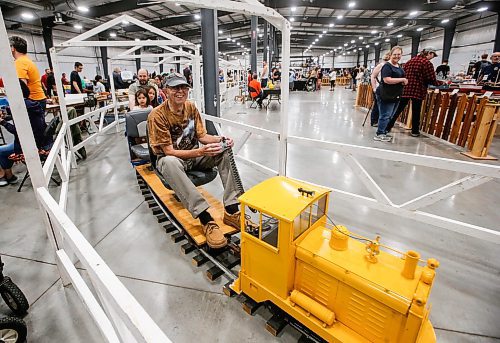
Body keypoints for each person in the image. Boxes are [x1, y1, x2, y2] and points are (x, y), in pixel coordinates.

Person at [147, 73, 254, 249]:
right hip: (173, 159)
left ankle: (232, 209)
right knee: (169, 162)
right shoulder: (157, 116)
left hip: (194, 155)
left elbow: (202, 136)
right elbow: (169, 151)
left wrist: (221, 140)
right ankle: (206, 219)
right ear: (166, 91)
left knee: (223, 150)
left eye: (183, 87)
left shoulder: (191, 108)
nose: (180, 91)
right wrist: (200, 151)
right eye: (175, 88)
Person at [0, 81, 53, 186]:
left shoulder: (20, 107)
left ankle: (5, 177)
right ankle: (9, 176)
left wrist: (3, 122)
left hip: (33, 146)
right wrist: (6, 118)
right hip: (44, 141)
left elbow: (18, 132)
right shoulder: (32, 103)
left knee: (1, 151)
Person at [386, 47, 439, 137]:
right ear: (429, 53)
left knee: (398, 110)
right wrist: (439, 83)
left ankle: (387, 127)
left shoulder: (411, 61)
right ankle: (415, 131)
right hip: (417, 90)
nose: (432, 57)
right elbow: (430, 78)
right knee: (416, 111)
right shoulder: (427, 63)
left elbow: (403, 72)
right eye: (433, 55)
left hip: (405, 89)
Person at [374, 46, 407, 142]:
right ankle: (379, 133)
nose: (397, 56)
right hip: (386, 94)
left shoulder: (398, 66)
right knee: (385, 115)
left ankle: (384, 132)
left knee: (390, 115)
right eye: (395, 54)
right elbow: (386, 80)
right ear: (390, 55)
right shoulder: (387, 66)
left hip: (395, 95)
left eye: (399, 54)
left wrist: (403, 81)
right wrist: (402, 79)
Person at [9, 36, 47, 110]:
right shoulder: (27, 60)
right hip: (39, 99)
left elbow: (22, 88)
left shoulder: (19, 62)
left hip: (32, 101)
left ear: (12, 48)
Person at [370, 52, 391, 127]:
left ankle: (381, 121)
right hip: (379, 88)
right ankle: (374, 121)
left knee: (383, 106)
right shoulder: (381, 65)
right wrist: (374, 88)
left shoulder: (390, 66)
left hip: (386, 89)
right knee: (377, 105)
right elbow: (372, 76)